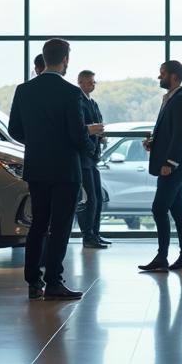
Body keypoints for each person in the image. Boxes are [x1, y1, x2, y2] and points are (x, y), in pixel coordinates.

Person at [9, 39, 103, 301]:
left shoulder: (23, 90)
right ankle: (54, 282)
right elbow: (77, 134)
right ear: (65, 61)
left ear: (45, 57)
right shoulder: (70, 93)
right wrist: (91, 149)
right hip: (65, 168)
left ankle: (32, 282)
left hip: (37, 166)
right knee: (60, 226)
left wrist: (38, 142)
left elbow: (13, 130)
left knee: (38, 224)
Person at [139, 60, 182, 273]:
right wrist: (153, 143)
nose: (159, 77)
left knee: (159, 208)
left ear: (173, 76)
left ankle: (162, 257)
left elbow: (181, 136)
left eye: (162, 73)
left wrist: (170, 163)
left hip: (175, 167)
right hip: (176, 166)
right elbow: (170, 133)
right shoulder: (173, 98)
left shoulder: (181, 100)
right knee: (177, 210)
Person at [76, 69, 109, 249]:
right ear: (80, 82)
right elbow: (80, 127)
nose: (92, 85)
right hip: (84, 158)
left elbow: (98, 124)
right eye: (89, 82)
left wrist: (101, 136)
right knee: (90, 199)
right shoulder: (79, 102)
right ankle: (88, 235)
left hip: (93, 157)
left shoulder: (93, 103)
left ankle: (94, 233)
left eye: (94, 82)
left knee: (98, 196)